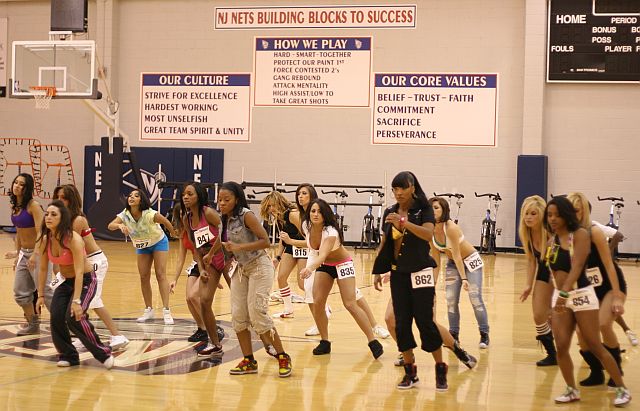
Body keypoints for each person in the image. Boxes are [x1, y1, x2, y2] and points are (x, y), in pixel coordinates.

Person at [543, 196, 630, 406]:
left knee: (594, 344)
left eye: (557, 214)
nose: (553, 219)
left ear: (566, 215)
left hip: (581, 295)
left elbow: (578, 266)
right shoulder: (551, 240)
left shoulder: (580, 234)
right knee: (561, 346)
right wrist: (550, 302)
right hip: (560, 297)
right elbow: (550, 275)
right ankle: (572, 389)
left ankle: (621, 388)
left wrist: (563, 295)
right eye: (550, 215)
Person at [372, 171, 448, 391]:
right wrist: (378, 269)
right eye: (394, 189)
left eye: (402, 188)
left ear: (412, 187)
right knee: (401, 324)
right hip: (399, 274)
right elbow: (385, 242)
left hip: (421, 271)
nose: (398, 193)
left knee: (425, 323)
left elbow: (427, 234)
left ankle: (440, 369)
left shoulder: (424, 210)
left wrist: (404, 222)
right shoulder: (389, 211)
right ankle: (410, 372)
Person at [286, 184, 390, 339]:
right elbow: (311, 243)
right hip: (317, 256)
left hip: (335, 259)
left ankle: (375, 326)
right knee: (309, 290)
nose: (300, 196)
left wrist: (296, 247)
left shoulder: (327, 222)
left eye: (304, 193)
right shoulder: (302, 220)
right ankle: (320, 324)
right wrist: (289, 242)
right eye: (298, 194)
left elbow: (324, 246)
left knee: (352, 296)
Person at [218, 182, 292, 377]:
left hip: (259, 265)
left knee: (257, 312)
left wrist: (239, 248)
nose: (222, 203)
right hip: (240, 269)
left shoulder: (246, 215)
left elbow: (266, 241)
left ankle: (283, 356)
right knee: (238, 315)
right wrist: (212, 257)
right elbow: (224, 244)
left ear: (236, 199)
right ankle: (249, 360)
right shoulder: (224, 219)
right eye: (219, 200)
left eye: (226, 200)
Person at [299, 198, 384, 359]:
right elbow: (315, 250)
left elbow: (322, 253)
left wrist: (309, 268)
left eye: (319, 211)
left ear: (326, 215)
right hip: (325, 265)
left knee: (350, 303)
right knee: (317, 302)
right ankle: (325, 341)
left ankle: (372, 341)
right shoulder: (306, 226)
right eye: (313, 211)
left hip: (342, 264)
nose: (315, 214)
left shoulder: (331, 232)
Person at [35, 200, 114, 368]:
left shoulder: (73, 239)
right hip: (65, 281)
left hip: (86, 280)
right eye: (47, 214)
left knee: (73, 317)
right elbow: (43, 269)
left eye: (53, 214)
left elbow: (79, 271)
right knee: (56, 315)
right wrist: (40, 295)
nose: (48, 217)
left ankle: (103, 353)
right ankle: (69, 355)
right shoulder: (45, 239)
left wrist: (77, 301)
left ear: (62, 218)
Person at [53, 185, 129, 350]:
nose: (59, 200)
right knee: (83, 300)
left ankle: (117, 336)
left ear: (71, 200)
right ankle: (83, 335)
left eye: (63, 197)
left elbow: (69, 248)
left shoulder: (78, 220)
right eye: (57, 197)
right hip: (81, 261)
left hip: (94, 261)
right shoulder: (61, 220)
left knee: (92, 300)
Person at [568, 192, 627, 387]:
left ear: (584, 211)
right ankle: (597, 372)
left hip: (610, 285)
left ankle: (616, 369)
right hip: (588, 289)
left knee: (603, 324)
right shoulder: (566, 235)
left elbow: (610, 265)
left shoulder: (594, 231)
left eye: (577, 210)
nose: (572, 214)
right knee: (582, 335)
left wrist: (618, 296)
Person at [107, 189, 177, 324]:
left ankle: (166, 311)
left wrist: (173, 233)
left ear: (141, 200)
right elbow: (110, 225)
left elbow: (165, 222)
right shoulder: (125, 214)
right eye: (130, 195)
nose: (132, 197)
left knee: (160, 274)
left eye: (136, 195)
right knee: (144, 276)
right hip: (142, 245)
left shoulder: (150, 214)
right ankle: (148, 310)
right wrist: (120, 225)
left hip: (158, 242)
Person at [429, 196, 490, 349]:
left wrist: (464, 279)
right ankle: (453, 335)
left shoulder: (451, 228)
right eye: (431, 208)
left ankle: (484, 333)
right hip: (453, 264)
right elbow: (436, 259)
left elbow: (457, 255)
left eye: (436, 208)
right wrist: (433, 284)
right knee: (450, 300)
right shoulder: (429, 230)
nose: (433, 210)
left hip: (470, 261)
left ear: (444, 210)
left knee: (475, 297)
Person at [179, 182, 227, 356]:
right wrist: (201, 267)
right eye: (184, 194)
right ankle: (215, 344)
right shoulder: (187, 219)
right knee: (204, 301)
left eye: (190, 194)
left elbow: (224, 234)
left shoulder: (209, 213)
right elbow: (195, 246)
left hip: (225, 257)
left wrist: (212, 252)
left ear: (198, 195)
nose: (186, 197)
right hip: (208, 261)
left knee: (239, 300)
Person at [8, 173, 52, 335]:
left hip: (39, 252)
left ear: (27, 188)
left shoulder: (33, 205)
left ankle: (63, 324)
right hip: (24, 254)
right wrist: (17, 253)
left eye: (21, 184)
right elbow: (19, 232)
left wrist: (35, 253)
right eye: (16, 182)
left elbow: (42, 231)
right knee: (20, 293)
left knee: (45, 292)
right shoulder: (15, 206)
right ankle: (33, 325)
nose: (17, 186)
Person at [518, 195, 556, 366]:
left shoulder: (551, 232)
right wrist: (528, 285)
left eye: (533, 214)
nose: (528, 217)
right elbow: (532, 260)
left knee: (566, 317)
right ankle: (552, 354)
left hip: (563, 272)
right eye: (526, 213)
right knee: (538, 314)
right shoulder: (527, 234)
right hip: (544, 270)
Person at [259, 190, 306, 318]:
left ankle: (324, 307)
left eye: (272, 205)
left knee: (302, 284)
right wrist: (278, 257)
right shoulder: (279, 217)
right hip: (291, 246)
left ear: (279, 203)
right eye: (268, 206)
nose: (271, 209)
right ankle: (288, 309)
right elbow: (283, 237)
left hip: (304, 246)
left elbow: (309, 236)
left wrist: (293, 242)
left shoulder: (293, 214)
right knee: (281, 278)